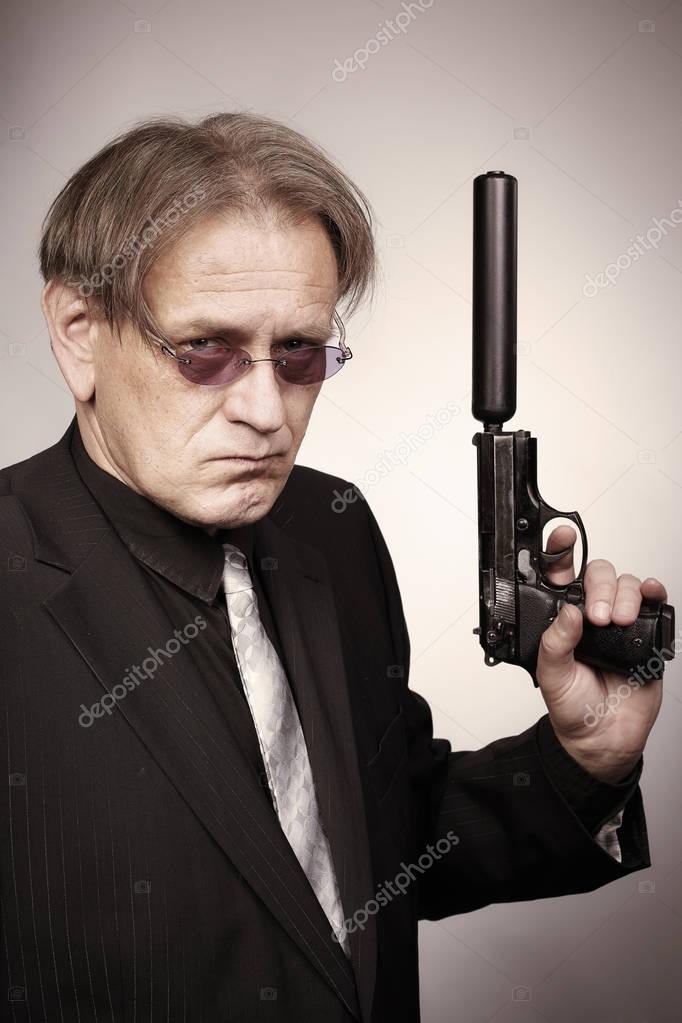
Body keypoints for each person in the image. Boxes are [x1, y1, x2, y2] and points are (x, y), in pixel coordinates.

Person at [0, 112, 667, 1023]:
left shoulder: (331, 526)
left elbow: (380, 844)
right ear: (79, 331)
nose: (267, 410)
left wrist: (584, 760)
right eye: (206, 350)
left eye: (300, 353)